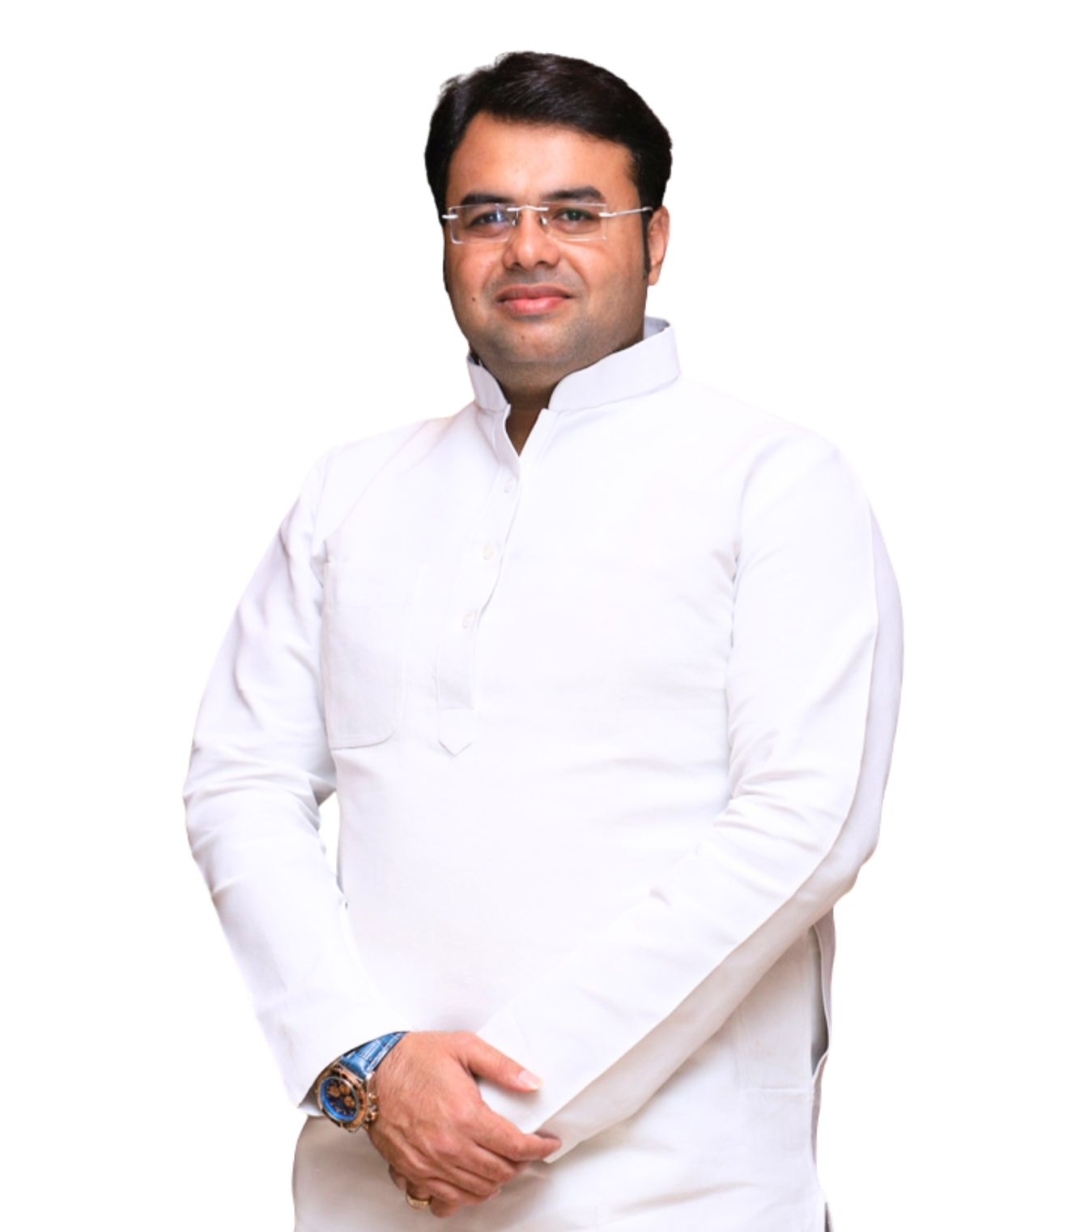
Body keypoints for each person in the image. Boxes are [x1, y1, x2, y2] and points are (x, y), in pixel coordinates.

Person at [185, 50, 902, 1232]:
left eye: (575, 212)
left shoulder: (775, 481)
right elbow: (239, 781)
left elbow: (805, 825)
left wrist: (491, 1101)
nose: (528, 248)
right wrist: (365, 1064)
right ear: (446, 241)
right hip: (371, 1185)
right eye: (487, 215)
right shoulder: (351, 492)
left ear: (654, 238)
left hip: (686, 1194)